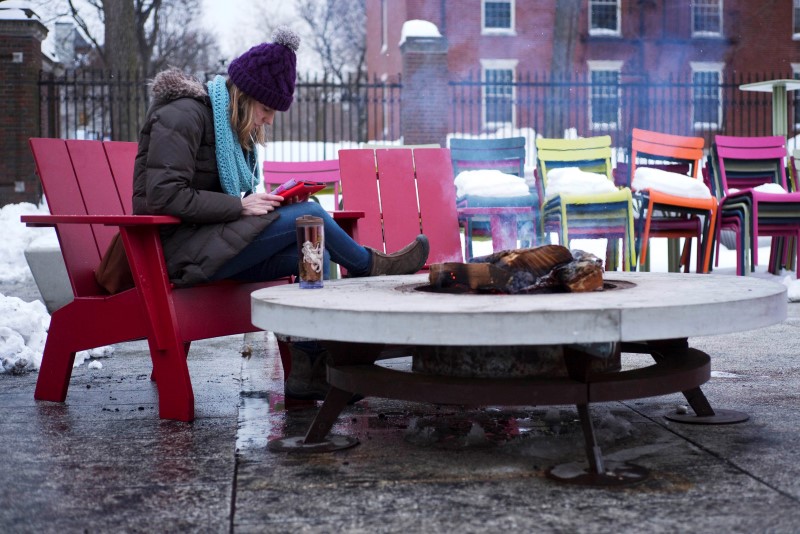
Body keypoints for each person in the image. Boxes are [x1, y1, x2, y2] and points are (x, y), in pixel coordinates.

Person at [131, 26, 429, 400]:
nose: (269, 120)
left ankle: (309, 367)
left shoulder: (222, 127)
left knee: (311, 250)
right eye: (266, 109)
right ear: (242, 96)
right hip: (175, 254)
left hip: (210, 245)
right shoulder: (184, 116)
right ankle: (369, 266)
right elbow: (160, 196)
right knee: (311, 216)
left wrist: (265, 203)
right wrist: (239, 205)